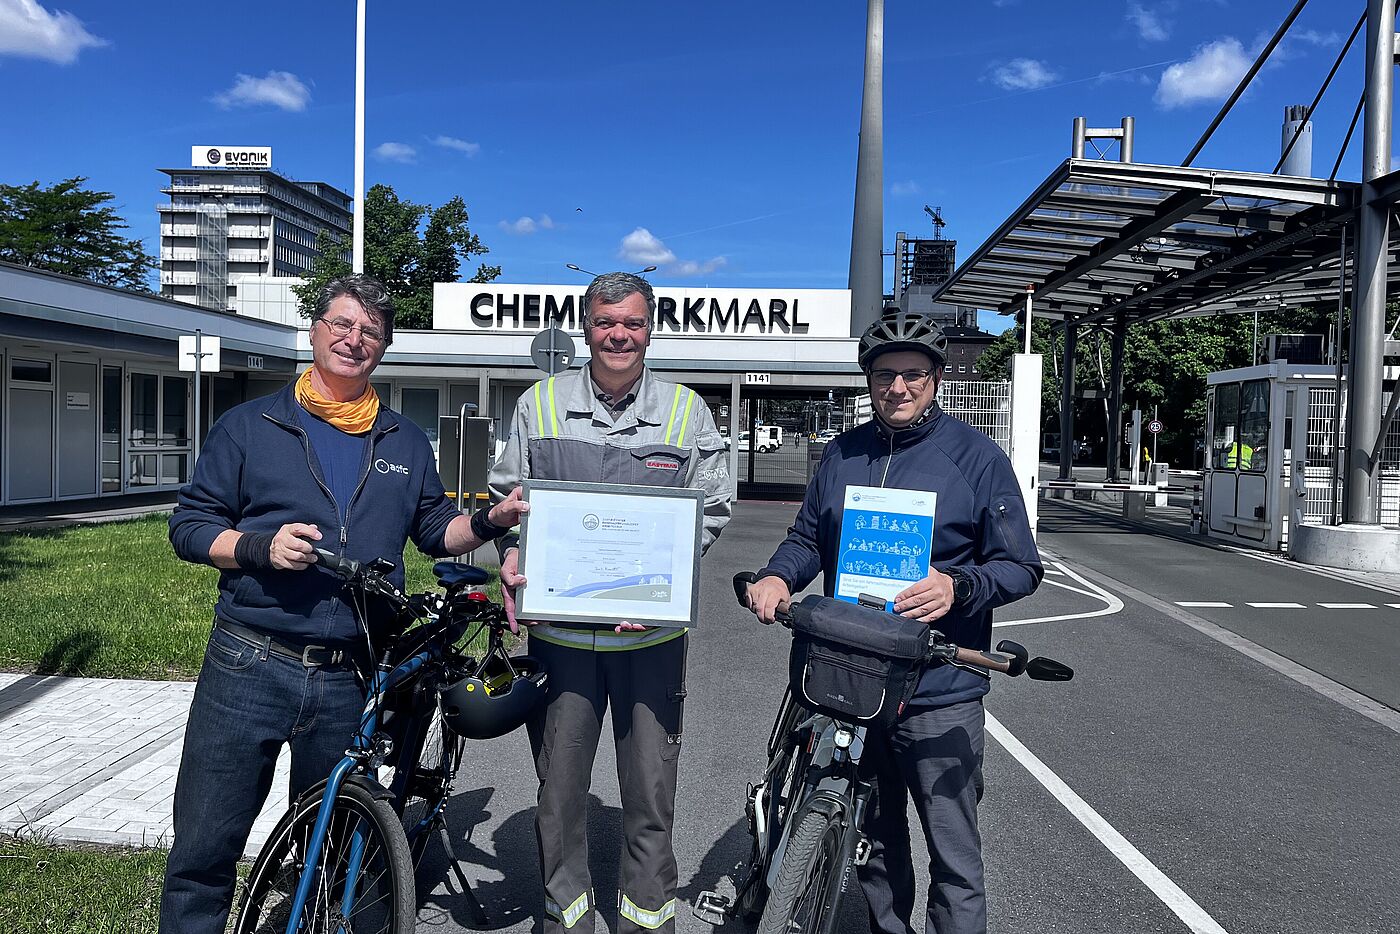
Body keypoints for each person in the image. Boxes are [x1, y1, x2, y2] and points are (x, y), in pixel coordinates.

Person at [161, 274, 528, 934]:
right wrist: (259, 548)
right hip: (250, 661)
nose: (354, 340)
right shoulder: (249, 426)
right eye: (342, 324)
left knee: (328, 857)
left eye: (371, 332)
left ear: (382, 348)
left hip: (348, 675)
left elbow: (435, 528)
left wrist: (489, 522)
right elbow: (189, 527)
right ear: (315, 331)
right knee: (205, 849)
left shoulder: (403, 440)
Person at [743, 310, 1042, 934]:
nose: (898, 388)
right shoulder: (842, 453)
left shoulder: (977, 459)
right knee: (875, 843)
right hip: (850, 677)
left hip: (938, 690)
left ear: (936, 379)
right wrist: (778, 577)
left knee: (953, 856)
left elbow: (1020, 567)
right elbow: (808, 539)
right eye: (884, 375)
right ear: (868, 380)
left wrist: (958, 587)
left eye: (913, 375)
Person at [488, 271, 732, 934]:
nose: (618, 334)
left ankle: (645, 921)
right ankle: (565, 920)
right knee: (559, 796)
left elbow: (712, 508)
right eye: (604, 321)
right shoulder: (539, 405)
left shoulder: (686, 411)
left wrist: (662, 584)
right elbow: (508, 500)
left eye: (631, 322)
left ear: (650, 329)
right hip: (561, 641)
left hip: (650, 641)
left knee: (651, 797)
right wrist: (511, 550)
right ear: (585, 326)